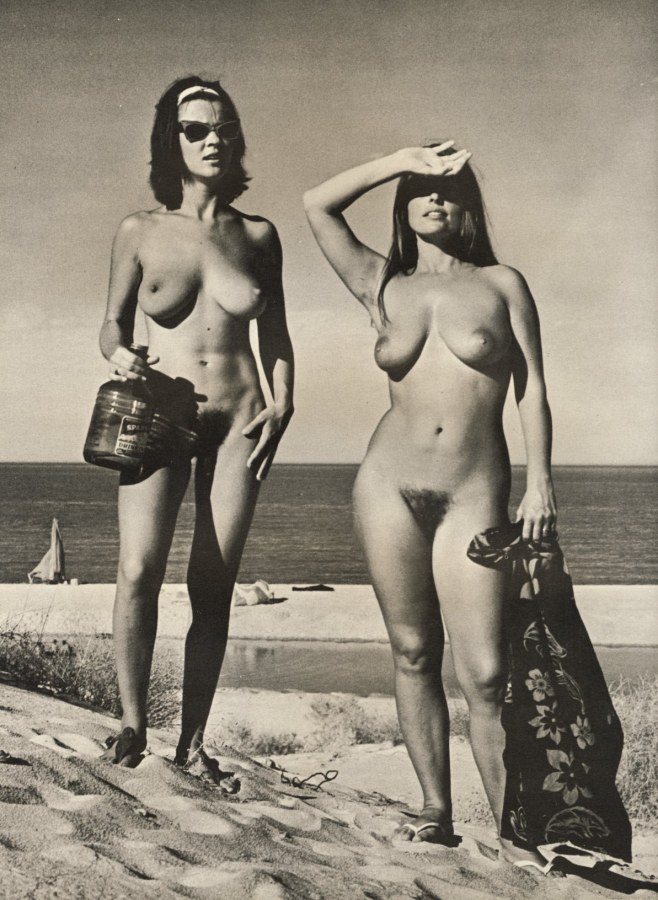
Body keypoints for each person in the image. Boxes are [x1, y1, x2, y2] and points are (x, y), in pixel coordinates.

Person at [303, 141, 558, 868]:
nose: (433, 197)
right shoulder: (380, 283)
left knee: (486, 673)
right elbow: (318, 205)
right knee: (413, 652)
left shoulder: (502, 283)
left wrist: (541, 481)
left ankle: (514, 832)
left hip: (474, 491)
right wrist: (401, 158)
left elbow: (532, 387)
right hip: (387, 486)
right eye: (419, 187)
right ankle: (434, 812)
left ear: (468, 204)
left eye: (447, 187)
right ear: (402, 202)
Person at [98, 76, 294, 782]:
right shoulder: (140, 231)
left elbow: (276, 334)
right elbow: (112, 323)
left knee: (213, 586)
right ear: (170, 140)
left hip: (242, 418)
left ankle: (193, 742)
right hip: (161, 409)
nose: (213, 139)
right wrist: (118, 353)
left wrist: (285, 400)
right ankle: (131, 725)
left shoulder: (259, 235)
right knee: (137, 570)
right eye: (196, 129)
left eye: (223, 128)